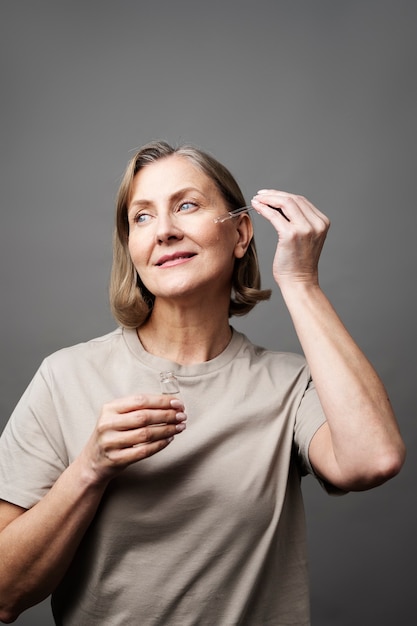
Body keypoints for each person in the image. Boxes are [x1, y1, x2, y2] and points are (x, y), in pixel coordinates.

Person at [0, 141, 406, 625]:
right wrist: (90, 468)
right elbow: (6, 594)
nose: (165, 231)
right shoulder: (64, 377)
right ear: (132, 247)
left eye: (186, 205)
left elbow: (373, 460)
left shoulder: (291, 384)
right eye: (142, 217)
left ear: (240, 233)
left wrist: (301, 281)